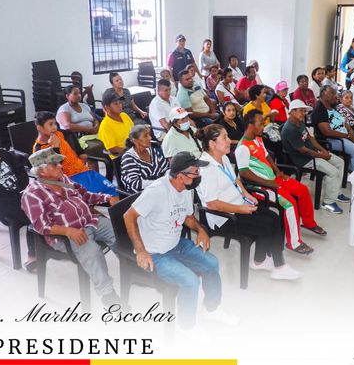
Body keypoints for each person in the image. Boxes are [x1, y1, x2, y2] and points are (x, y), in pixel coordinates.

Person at [123, 151, 236, 330]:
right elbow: (128, 216)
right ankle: (186, 326)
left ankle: (212, 309)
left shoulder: (185, 189)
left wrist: (200, 229)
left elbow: (187, 216)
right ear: (181, 176)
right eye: (195, 172)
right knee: (190, 281)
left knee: (212, 263)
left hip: (176, 244)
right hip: (156, 253)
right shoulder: (157, 191)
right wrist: (141, 250)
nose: (199, 175)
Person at [194, 124, 300, 280]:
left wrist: (246, 193)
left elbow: (235, 178)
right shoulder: (206, 168)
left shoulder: (222, 157)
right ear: (212, 143)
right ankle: (279, 266)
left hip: (238, 204)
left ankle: (259, 261)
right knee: (267, 224)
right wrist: (240, 209)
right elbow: (212, 204)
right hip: (224, 217)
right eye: (224, 138)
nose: (229, 141)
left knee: (274, 217)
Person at [21, 148, 121, 307]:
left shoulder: (63, 179)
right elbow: (41, 226)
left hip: (89, 221)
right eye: (54, 165)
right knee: (92, 252)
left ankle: (131, 267)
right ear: (41, 171)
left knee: (119, 233)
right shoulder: (32, 194)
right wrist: (68, 231)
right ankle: (107, 294)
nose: (60, 166)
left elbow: (86, 195)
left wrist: (107, 197)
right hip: (66, 235)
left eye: (59, 163)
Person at [236, 110, 327, 255]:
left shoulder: (257, 139)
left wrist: (278, 172)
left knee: (303, 190)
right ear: (250, 125)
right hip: (260, 186)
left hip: (273, 179)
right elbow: (244, 173)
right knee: (290, 203)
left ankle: (309, 223)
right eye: (261, 124)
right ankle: (294, 243)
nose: (263, 127)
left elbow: (267, 156)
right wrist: (268, 183)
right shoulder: (242, 147)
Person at [281, 100, 349, 213]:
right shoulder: (290, 129)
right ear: (292, 112)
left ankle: (335, 192)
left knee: (340, 162)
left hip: (314, 153)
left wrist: (324, 151)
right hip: (304, 159)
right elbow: (303, 150)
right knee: (333, 172)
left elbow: (311, 138)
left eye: (304, 111)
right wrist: (322, 156)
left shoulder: (300, 122)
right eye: (301, 111)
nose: (303, 113)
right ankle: (328, 202)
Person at [33, 111, 118, 196]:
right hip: (68, 179)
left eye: (55, 123)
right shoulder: (39, 149)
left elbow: (69, 132)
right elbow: (54, 170)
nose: (55, 127)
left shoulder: (59, 134)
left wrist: (80, 152)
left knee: (113, 191)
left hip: (84, 171)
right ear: (40, 128)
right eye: (50, 124)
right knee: (99, 197)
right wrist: (55, 148)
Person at [312, 86, 354, 171]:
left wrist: (350, 131)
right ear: (324, 94)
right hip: (331, 140)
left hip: (344, 135)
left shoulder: (332, 107)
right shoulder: (319, 110)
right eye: (332, 93)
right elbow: (327, 132)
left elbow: (343, 121)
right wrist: (347, 136)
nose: (335, 96)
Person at [56, 84, 104, 159]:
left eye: (79, 93)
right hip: (77, 138)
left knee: (109, 142)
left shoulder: (84, 106)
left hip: (92, 134)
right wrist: (89, 129)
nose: (78, 95)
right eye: (75, 94)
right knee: (94, 148)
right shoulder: (64, 109)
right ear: (67, 96)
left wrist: (96, 127)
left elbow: (94, 119)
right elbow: (68, 126)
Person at [121, 124, 169, 194]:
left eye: (149, 135)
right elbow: (134, 183)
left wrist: (167, 178)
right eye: (145, 136)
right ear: (135, 140)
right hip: (140, 194)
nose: (150, 138)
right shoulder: (128, 158)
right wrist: (159, 183)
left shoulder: (154, 151)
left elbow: (166, 168)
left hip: (159, 188)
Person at [98, 89, 134, 159]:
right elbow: (113, 149)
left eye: (120, 103)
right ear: (107, 107)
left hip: (133, 149)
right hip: (121, 157)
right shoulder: (105, 126)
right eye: (116, 104)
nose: (120, 105)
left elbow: (134, 132)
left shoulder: (124, 115)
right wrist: (132, 151)